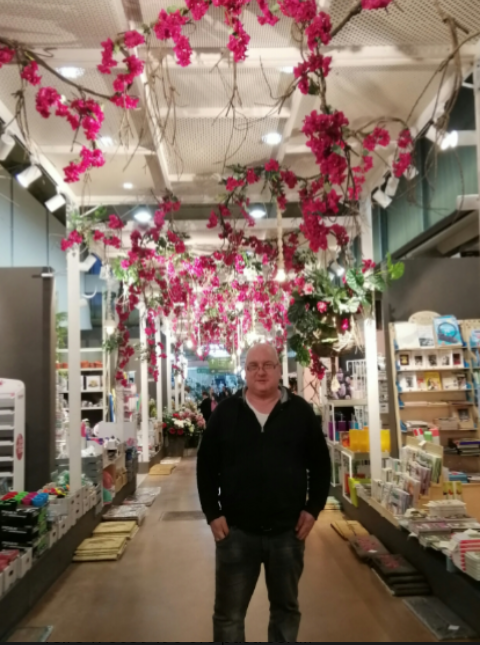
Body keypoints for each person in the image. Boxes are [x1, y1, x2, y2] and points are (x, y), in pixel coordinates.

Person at [197, 343, 331, 643]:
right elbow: (206, 465)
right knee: (229, 616)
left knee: (285, 612)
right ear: (245, 372)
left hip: (287, 533)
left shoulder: (300, 412)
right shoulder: (226, 413)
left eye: (267, 365)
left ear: (278, 370)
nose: (260, 372)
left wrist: (313, 508)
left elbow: (321, 465)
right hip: (236, 533)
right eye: (253, 366)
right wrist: (212, 512)